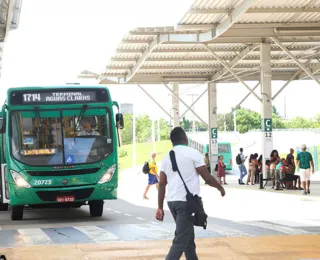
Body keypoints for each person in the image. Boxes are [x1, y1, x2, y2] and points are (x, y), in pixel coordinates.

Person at [155, 127, 225, 260]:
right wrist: (220, 187)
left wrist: (159, 207)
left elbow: (162, 184)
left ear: (172, 141)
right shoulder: (193, 154)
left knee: (187, 238)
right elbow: (207, 177)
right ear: (185, 138)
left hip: (172, 202)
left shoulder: (166, 158)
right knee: (181, 241)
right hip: (186, 204)